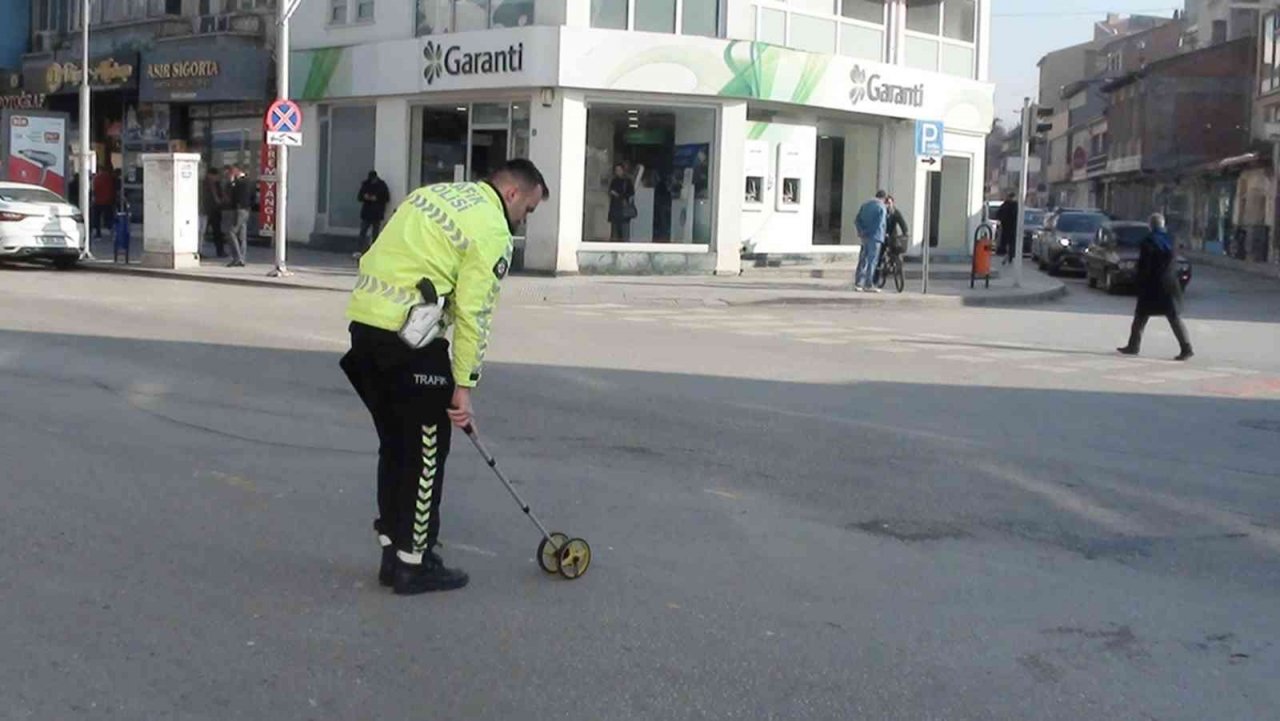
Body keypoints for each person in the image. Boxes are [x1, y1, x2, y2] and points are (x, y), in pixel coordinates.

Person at [340, 158, 549, 595]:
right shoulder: (491, 228)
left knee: (396, 445)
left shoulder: (432, 194)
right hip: (409, 342)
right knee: (425, 453)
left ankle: (394, 553)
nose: (522, 220)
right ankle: (413, 564)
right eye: (527, 210)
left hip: (365, 329)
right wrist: (464, 388)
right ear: (512, 193)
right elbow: (475, 313)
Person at [1117, 213, 1193, 361]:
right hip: (1170, 283)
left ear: (1150, 226)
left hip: (1152, 285)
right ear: (1163, 225)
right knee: (1174, 317)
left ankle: (1133, 346)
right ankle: (1186, 348)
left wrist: (1138, 282)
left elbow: (1144, 266)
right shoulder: (1173, 239)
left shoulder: (1148, 241)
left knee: (1140, 316)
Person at [854, 190, 888, 292]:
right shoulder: (881, 207)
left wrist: (861, 231)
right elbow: (880, 223)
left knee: (863, 259)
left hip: (864, 237)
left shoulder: (865, 205)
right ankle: (868, 284)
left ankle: (859, 283)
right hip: (875, 237)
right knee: (872, 261)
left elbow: (857, 220)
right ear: (883, 198)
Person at [355, 170, 391, 258]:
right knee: (363, 232)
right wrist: (365, 197)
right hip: (367, 212)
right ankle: (360, 250)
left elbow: (386, 198)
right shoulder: (366, 184)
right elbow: (359, 197)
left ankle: (374, 251)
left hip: (376, 212)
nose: (372, 181)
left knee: (375, 233)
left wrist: (377, 198)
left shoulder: (382, 185)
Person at [223, 165, 251, 267]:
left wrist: (231, 182)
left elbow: (232, 194)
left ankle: (237, 257)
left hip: (239, 210)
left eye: (232, 171)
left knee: (231, 232)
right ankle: (242, 258)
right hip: (246, 210)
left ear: (236, 171)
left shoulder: (240, 182)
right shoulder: (248, 181)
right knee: (242, 235)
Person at [200, 167, 226, 258]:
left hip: (213, 211)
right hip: (207, 210)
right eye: (215, 176)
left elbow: (220, 196)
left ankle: (220, 251)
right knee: (202, 232)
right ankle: (200, 251)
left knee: (216, 232)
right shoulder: (205, 184)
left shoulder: (215, 184)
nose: (216, 178)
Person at [607, 163, 635, 241]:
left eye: (619, 170)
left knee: (624, 233)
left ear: (623, 170)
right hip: (615, 210)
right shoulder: (614, 181)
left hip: (623, 210)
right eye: (616, 170)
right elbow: (610, 192)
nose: (618, 172)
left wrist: (618, 195)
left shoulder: (627, 181)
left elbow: (631, 193)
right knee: (614, 234)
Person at [91, 167, 116, 239]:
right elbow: (111, 189)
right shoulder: (109, 178)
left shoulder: (97, 178)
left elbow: (94, 189)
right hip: (107, 201)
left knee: (97, 218)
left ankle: (98, 233)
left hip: (98, 201)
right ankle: (111, 231)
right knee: (108, 217)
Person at [995, 192, 1019, 264]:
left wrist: (1001, 221)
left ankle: (1007, 254)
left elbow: (998, 215)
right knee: (1011, 242)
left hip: (1006, 227)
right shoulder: (1015, 206)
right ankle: (1009, 255)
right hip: (1012, 227)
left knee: (1007, 242)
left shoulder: (1005, 205)